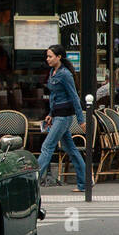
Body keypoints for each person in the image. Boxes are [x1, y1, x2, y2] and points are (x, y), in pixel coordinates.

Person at [36, 45, 86, 192]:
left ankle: (33, 182)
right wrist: (50, 114)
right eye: (47, 56)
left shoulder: (65, 74)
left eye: (50, 56)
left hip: (64, 117)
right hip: (57, 115)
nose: (48, 59)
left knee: (47, 146)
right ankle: (84, 183)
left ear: (59, 57)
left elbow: (74, 97)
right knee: (71, 149)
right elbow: (54, 96)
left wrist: (81, 119)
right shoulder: (53, 72)